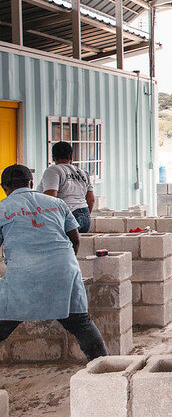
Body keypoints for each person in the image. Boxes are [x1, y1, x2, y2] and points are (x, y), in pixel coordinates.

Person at [0, 164, 107, 361]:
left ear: (4, 188)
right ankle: (106, 370)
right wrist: (63, 266)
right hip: (64, 270)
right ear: (32, 183)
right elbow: (75, 239)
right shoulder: (57, 203)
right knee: (81, 323)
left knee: (4, 320)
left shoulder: (2, 208)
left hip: (23, 276)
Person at [38, 142, 95, 233]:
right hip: (85, 217)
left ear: (53, 157)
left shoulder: (53, 170)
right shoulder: (83, 173)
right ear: (71, 156)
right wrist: (85, 216)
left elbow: (50, 197)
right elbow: (91, 199)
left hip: (67, 215)